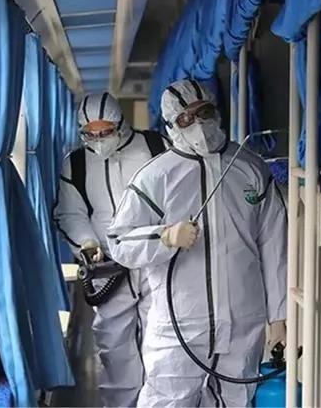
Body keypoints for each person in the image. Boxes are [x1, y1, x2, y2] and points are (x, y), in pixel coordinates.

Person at [107, 79, 287, 407]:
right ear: (171, 125)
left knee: (236, 400)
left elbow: (274, 245)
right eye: (185, 118)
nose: (198, 124)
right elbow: (119, 241)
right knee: (167, 401)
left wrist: (279, 315)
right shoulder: (155, 177)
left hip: (244, 319)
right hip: (180, 323)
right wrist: (164, 236)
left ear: (216, 111)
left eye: (203, 112)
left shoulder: (250, 167)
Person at [53, 92, 168, 407]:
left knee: (162, 338)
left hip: (156, 257)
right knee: (115, 345)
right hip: (109, 265)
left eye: (106, 132)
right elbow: (70, 213)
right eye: (90, 134)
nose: (99, 140)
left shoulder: (156, 148)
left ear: (121, 124)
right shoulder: (76, 164)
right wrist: (87, 242)